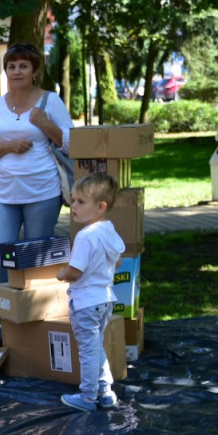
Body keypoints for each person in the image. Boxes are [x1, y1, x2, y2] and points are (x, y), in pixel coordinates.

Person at [0, 41, 73, 322]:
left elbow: (72, 144)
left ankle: (33, 318)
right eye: (11, 66)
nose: (16, 71)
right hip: (3, 195)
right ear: (5, 70)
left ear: (35, 70)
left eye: (23, 66)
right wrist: (8, 146)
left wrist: (45, 124)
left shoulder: (49, 101)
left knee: (35, 259)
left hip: (43, 192)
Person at [58, 173, 124, 412]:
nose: (73, 206)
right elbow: (116, 262)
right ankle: (105, 391)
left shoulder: (85, 236)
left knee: (88, 350)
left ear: (100, 207)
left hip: (85, 302)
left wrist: (61, 273)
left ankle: (87, 397)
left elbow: (75, 271)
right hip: (105, 300)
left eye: (80, 202)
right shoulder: (109, 230)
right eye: (73, 200)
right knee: (96, 346)